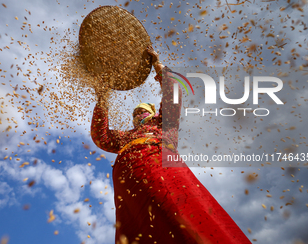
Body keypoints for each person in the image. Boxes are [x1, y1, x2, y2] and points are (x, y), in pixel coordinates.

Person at [91, 46, 251, 244]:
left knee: (178, 215)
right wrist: (102, 98)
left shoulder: (164, 126)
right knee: (139, 225)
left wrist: (157, 66)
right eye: (134, 115)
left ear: (153, 113)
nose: (137, 117)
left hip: (157, 164)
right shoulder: (126, 137)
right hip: (128, 180)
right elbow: (101, 137)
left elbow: (173, 94)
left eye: (142, 112)